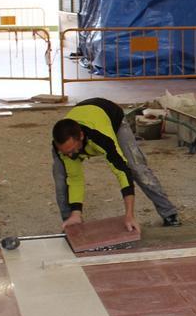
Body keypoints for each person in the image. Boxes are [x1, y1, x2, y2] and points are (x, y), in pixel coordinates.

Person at [51, 97, 182, 231]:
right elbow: (75, 178)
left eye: (73, 150)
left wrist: (129, 215)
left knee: (136, 168)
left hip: (112, 117)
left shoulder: (102, 138)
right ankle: (72, 223)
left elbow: (122, 172)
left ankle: (169, 213)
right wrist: (76, 211)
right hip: (85, 115)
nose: (71, 156)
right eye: (66, 152)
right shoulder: (63, 148)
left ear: (81, 136)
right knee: (61, 179)